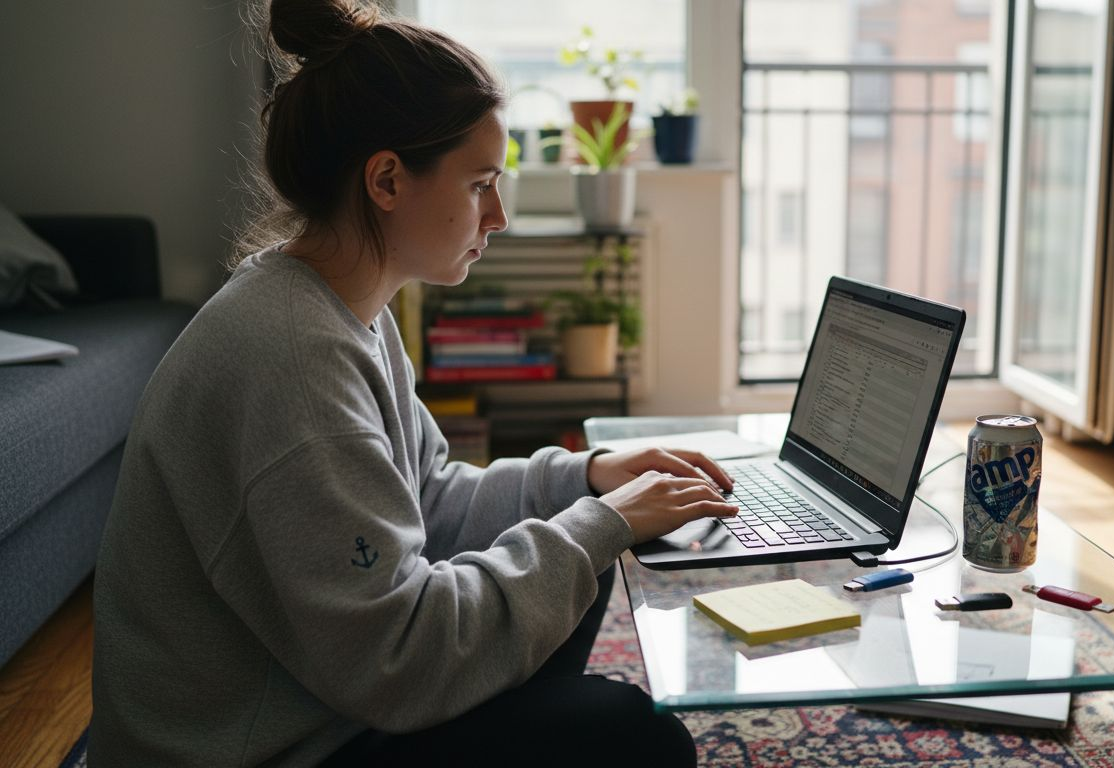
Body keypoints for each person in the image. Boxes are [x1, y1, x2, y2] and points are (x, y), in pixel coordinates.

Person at [87, 1, 739, 765]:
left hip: (321, 699)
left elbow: (424, 498)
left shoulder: (339, 307)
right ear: (388, 180)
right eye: (479, 185)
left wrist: (586, 481)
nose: (497, 216)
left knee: (579, 567)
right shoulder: (292, 358)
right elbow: (398, 658)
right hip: (264, 750)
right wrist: (601, 523)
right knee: (635, 736)